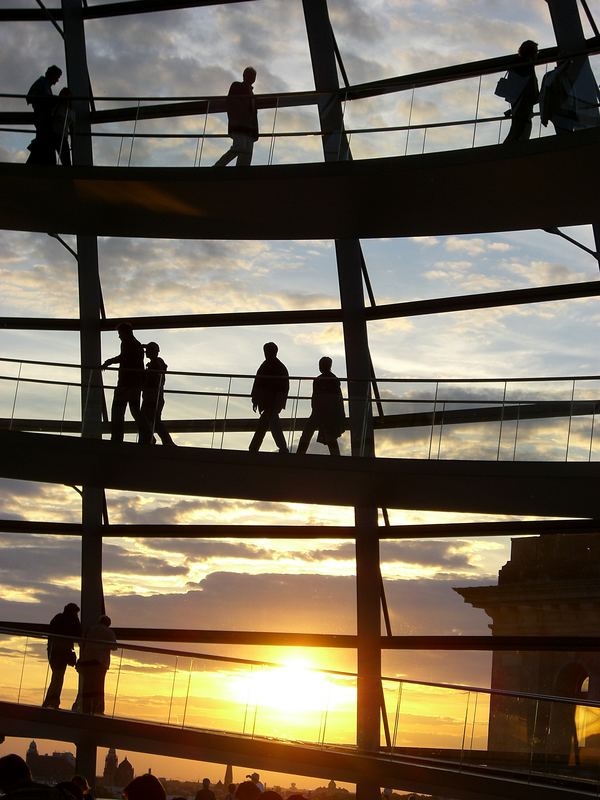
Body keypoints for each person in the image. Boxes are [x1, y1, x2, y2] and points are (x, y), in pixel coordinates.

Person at [102, 322, 145, 442]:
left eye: (120, 333)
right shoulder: (137, 345)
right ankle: (146, 434)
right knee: (135, 410)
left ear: (125, 333)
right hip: (135, 384)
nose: (119, 336)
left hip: (125, 384)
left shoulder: (127, 343)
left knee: (117, 411)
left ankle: (117, 438)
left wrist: (109, 361)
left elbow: (124, 357)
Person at [296, 356, 345, 456]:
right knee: (329, 434)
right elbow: (337, 399)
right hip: (329, 412)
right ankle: (336, 457)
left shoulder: (318, 380)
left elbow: (315, 398)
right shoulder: (334, 380)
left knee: (307, 432)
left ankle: (300, 454)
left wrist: (315, 409)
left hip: (318, 412)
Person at [249, 342, 289, 453]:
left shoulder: (265, 366)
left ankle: (254, 448)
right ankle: (254, 448)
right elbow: (284, 387)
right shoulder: (279, 367)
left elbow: (258, 382)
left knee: (269, 424)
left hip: (270, 402)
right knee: (268, 424)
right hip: (272, 402)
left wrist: (255, 399)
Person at [214, 67, 259, 166]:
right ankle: (218, 166)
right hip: (240, 125)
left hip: (249, 128)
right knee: (240, 147)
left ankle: (240, 174)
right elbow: (231, 103)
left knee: (247, 153)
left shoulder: (252, 94)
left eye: (253, 76)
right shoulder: (237, 86)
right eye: (250, 75)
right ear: (244, 76)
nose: (252, 78)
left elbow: (253, 113)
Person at [42, 602, 81, 710]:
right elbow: (78, 633)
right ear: (73, 612)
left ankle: (51, 701)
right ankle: (52, 702)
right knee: (58, 677)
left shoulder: (58, 618)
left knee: (56, 677)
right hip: (62, 652)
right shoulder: (71, 621)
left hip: (53, 651)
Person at [77, 615, 117, 714]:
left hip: (86, 660)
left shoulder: (90, 629)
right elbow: (114, 647)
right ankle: (97, 709)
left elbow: (81, 643)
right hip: (100, 662)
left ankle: (85, 708)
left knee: (86, 685)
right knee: (98, 686)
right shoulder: (109, 632)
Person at [502, 40, 539, 143]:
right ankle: (506, 151)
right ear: (531, 53)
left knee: (518, 128)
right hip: (524, 103)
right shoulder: (527, 66)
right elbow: (530, 86)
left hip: (518, 103)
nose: (537, 54)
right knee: (521, 129)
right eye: (536, 52)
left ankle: (506, 150)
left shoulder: (517, 65)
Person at [140, 341, 175, 446]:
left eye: (148, 351)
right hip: (154, 396)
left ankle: (152, 439)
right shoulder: (157, 363)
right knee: (153, 419)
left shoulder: (155, 364)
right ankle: (163, 441)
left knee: (148, 419)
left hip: (152, 396)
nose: (146, 352)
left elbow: (152, 380)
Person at [26, 65, 62, 166]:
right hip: (42, 118)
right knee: (44, 141)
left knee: (43, 141)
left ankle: (38, 162)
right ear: (52, 75)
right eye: (57, 77)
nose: (57, 81)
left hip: (43, 118)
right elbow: (30, 97)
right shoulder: (42, 83)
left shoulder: (43, 84)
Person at [51, 87, 74, 166]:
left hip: (59, 136)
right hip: (58, 136)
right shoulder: (67, 111)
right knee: (66, 161)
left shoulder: (58, 108)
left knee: (65, 161)